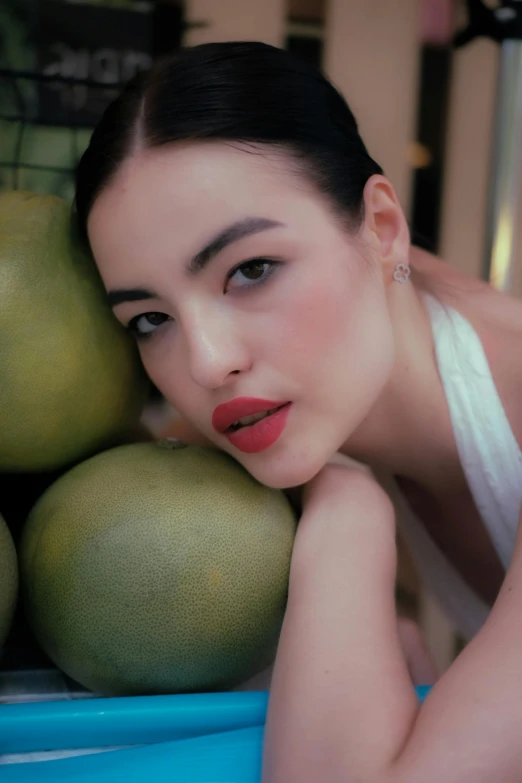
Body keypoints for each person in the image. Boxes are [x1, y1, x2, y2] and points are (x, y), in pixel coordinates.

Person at [74, 41, 522, 782]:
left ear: (381, 228)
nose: (207, 362)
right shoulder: (325, 389)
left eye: (251, 270)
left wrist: (346, 516)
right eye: (150, 319)